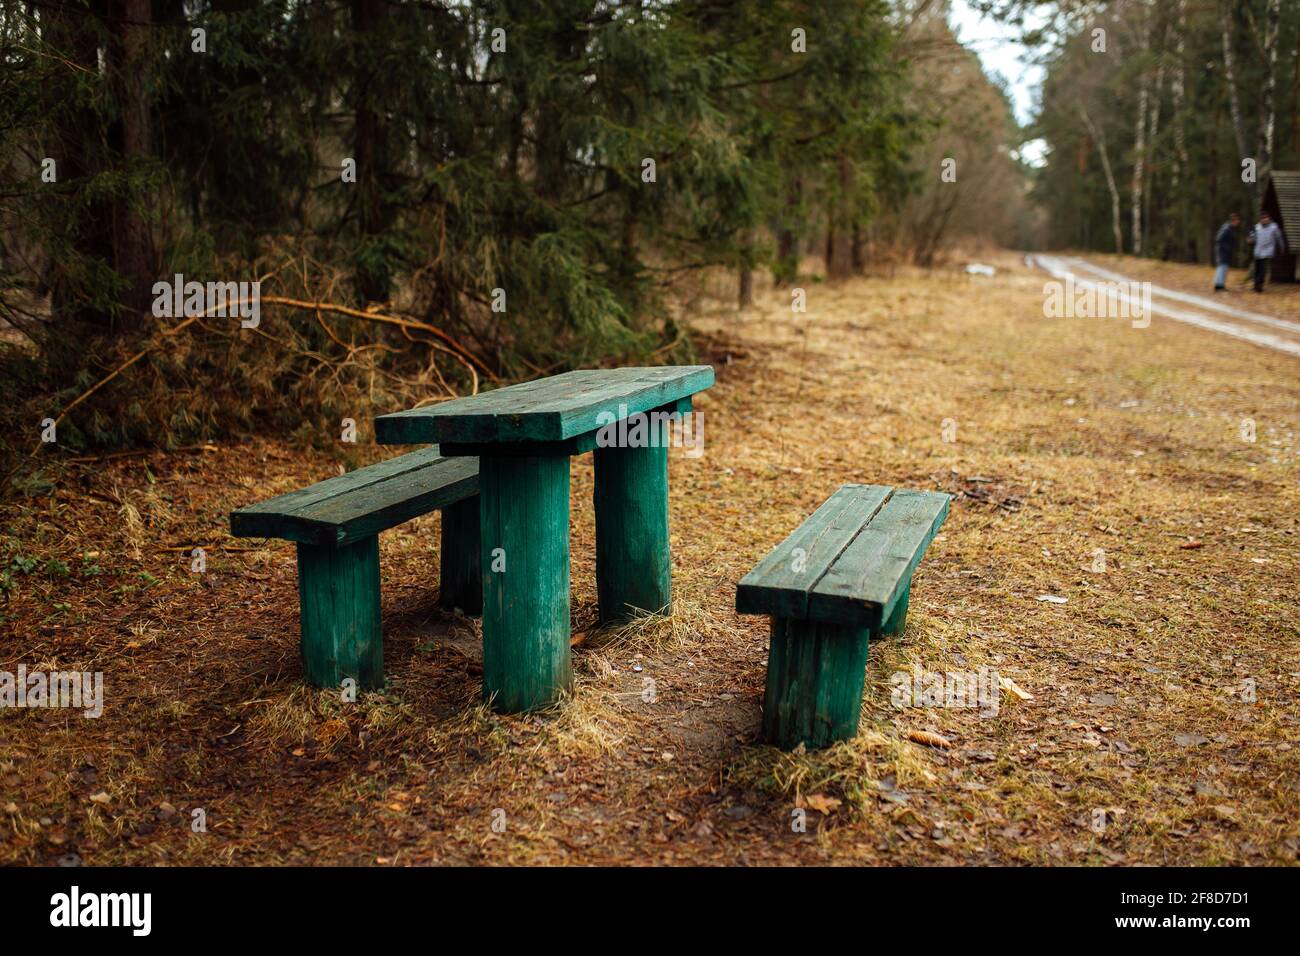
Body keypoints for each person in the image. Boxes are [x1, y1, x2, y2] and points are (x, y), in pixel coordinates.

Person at [1246, 211, 1287, 293]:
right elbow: (1252, 238)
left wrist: (1282, 247)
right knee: (1257, 270)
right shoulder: (1257, 227)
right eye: (1263, 218)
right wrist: (1250, 240)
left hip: (1267, 252)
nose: (1265, 220)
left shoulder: (1274, 227)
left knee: (1263, 270)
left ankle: (1259, 286)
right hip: (1257, 252)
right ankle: (1256, 286)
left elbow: (1279, 237)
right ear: (1260, 219)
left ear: (1269, 218)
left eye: (1266, 218)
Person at [1213, 212, 1241, 291]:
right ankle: (1219, 286)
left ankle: (1219, 285)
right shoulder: (1226, 228)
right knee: (1222, 268)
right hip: (1223, 252)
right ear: (1234, 220)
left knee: (1222, 268)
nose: (1238, 222)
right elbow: (1218, 239)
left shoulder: (1229, 228)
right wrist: (1227, 248)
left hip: (1225, 252)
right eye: (1237, 221)